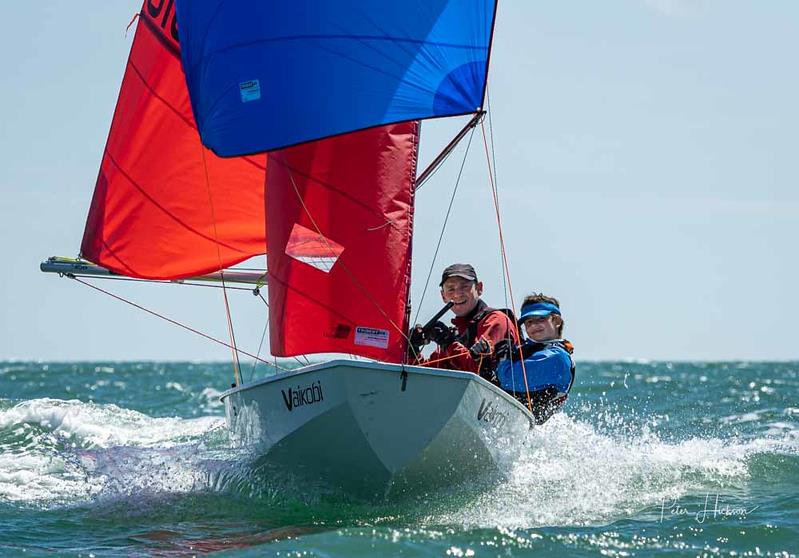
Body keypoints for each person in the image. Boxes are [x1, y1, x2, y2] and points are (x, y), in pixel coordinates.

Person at [409, 263, 519, 380]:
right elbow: (422, 377)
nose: (457, 294)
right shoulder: (458, 333)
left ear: (479, 288)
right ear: (443, 296)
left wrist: (448, 343)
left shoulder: (496, 320)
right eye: (451, 289)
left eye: (464, 286)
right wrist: (412, 350)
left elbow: (480, 374)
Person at [495, 294, 575, 424]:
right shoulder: (531, 348)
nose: (533, 326)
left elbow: (509, 379)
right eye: (529, 322)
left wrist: (503, 357)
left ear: (557, 321)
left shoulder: (557, 357)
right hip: (507, 419)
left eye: (540, 319)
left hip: (525, 427)